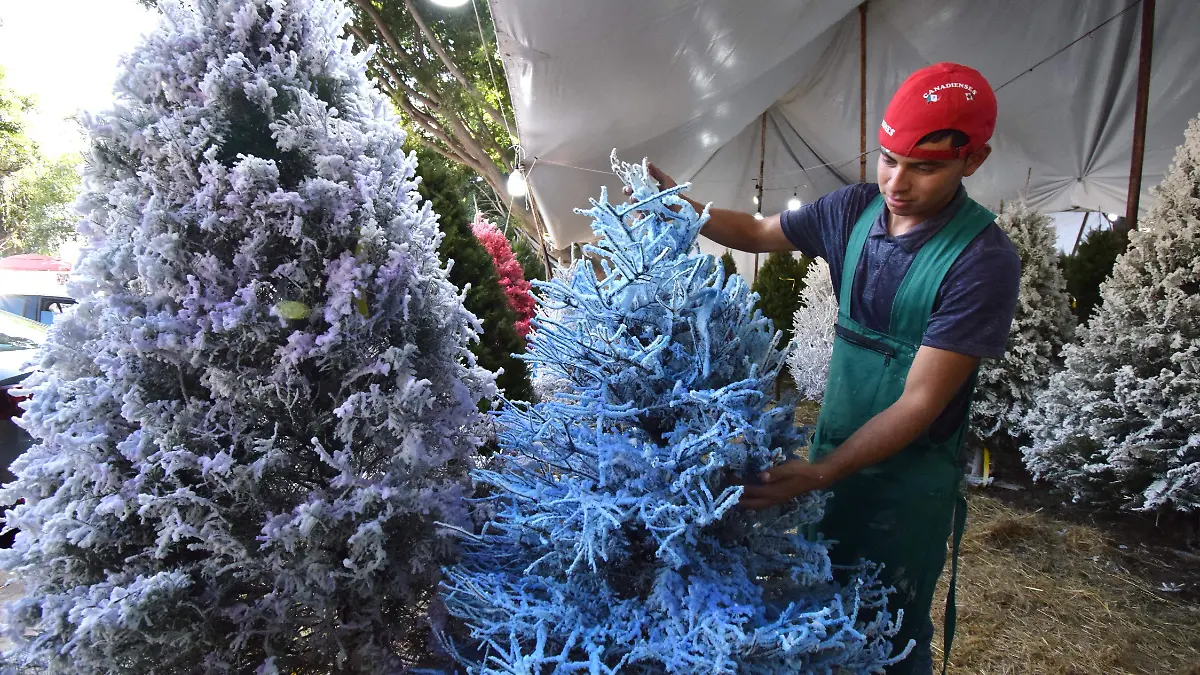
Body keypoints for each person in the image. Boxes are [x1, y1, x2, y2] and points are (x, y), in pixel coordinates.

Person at [643, 63, 1020, 674]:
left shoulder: (981, 261)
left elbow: (921, 403)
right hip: (835, 444)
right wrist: (680, 209)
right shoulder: (853, 212)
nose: (897, 182)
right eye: (889, 158)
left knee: (886, 626)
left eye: (925, 168)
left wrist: (824, 472)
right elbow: (759, 230)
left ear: (972, 160)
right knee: (819, 603)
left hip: (908, 480)